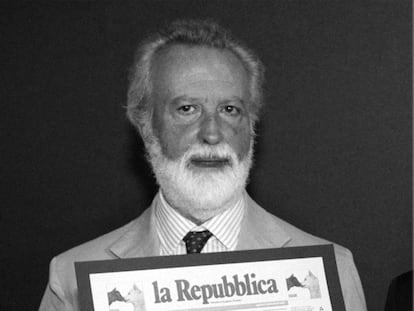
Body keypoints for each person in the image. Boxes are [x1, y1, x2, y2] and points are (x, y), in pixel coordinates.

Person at [39, 19, 367, 311]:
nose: (212, 134)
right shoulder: (73, 280)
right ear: (145, 125)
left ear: (251, 126)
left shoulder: (330, 273)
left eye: (229, 110)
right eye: (187, 109)